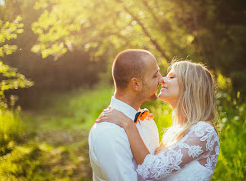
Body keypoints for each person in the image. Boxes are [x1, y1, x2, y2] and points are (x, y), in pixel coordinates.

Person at [97, 61, 219, 180]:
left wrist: (128, 123)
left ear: (190, 86)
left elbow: (152, 170)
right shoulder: (175, 131)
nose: (162, 80)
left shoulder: (204, 131)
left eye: (172, 77)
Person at [88, 49, 163, 181]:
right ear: (136, 84)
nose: (161, 79)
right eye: (155, 75)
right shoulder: (108, 131)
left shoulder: (146, 120)